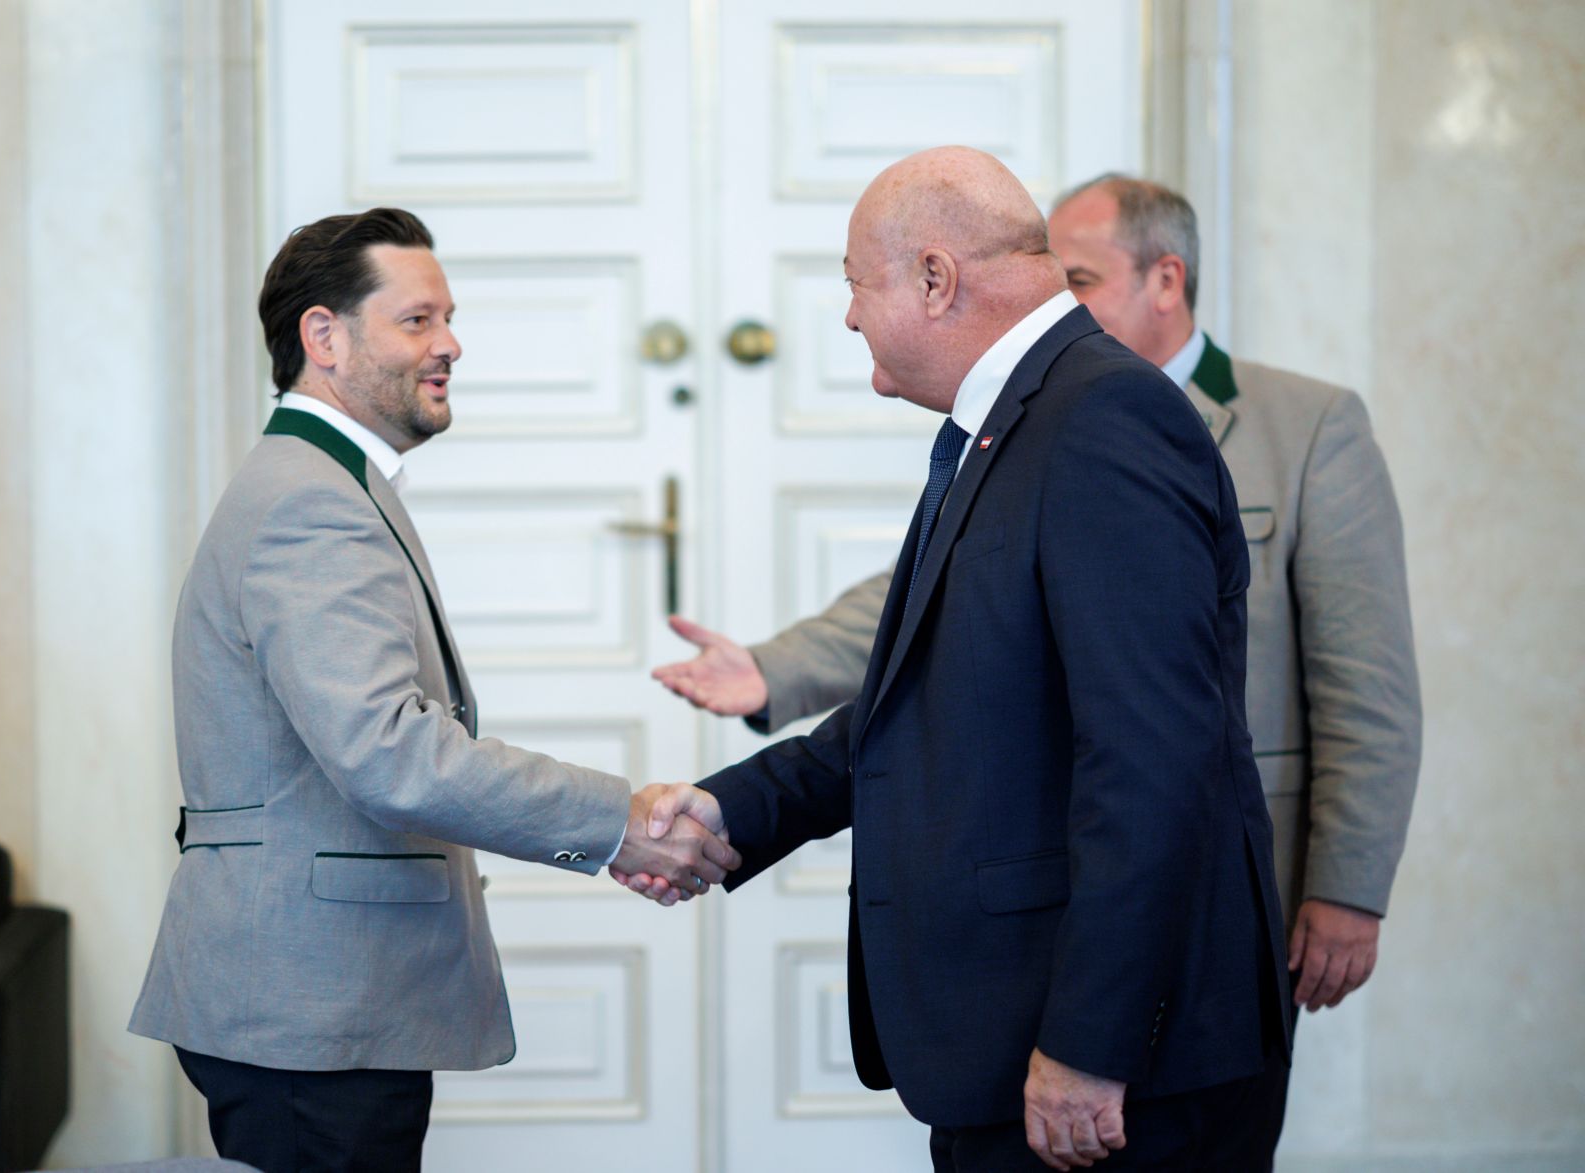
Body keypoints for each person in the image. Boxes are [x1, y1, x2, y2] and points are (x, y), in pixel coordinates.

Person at [654, 172, 1422, 1159]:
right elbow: (932, 697)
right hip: (1017, 1033)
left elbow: (1150, 760)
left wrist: (1089, 1043)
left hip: (1114, 1070)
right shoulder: (1008, 424)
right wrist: (733, 809)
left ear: (935, 278)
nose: (847, 318)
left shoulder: (1103, 421)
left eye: (855, 285)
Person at [128, 207, 739, 1173]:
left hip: (319, 1000)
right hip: (309, 1007)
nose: (450, 343)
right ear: (322, 336)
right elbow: (391, 754)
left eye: (447, 318)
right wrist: (616, 822)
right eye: (417, 320)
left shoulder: (330, 484)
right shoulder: (310, 504)